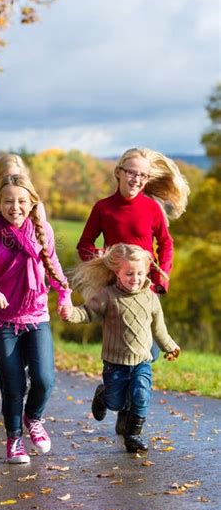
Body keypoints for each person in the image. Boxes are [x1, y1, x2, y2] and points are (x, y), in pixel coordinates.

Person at [76, 147, 189, 432]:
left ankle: (129, 407)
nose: (137, 179)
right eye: (131, 173)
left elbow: (166, 243)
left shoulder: (152, 208)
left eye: (143, 175)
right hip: (115, 289)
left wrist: (162, 278)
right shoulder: (103, 208)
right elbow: (84, 244)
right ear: (119, 173)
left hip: (145, 287)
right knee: (132, 350)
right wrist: (101, 258)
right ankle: (113, 397)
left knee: (149, 353)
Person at [0, 174, 71, 464]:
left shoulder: (42, 230)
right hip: (3, 323)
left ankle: (33, 418)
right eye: (8, 201)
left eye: (22, 200)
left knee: (44, 380)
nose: (15, 207)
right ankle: (14, 439)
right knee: (13, 385)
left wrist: (64, 295)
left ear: (33, 202)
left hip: (36, 315)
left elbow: (53, 265)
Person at [60, 243, 180, 453]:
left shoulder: (151, 298)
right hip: (115, 364)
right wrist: (70, 313)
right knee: (115, 402)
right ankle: (102, 395)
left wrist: (170, 346)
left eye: (140, 273)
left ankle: (133, 436)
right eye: (129, 273)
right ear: (117, 272)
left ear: (146, 272)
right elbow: (87, 312)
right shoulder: (108, 296)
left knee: (141, 394)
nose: (135, 278)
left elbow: (159, 330)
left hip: (142, 361)